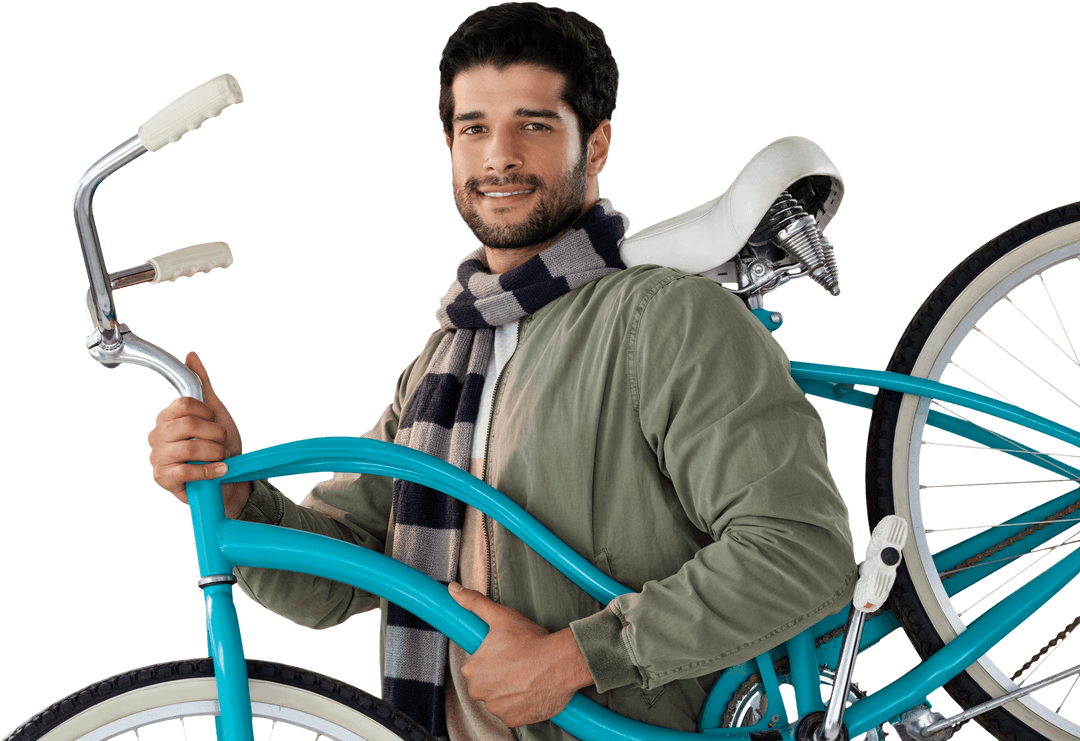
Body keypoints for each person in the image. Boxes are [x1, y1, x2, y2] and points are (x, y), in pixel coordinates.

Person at [147, 4, 858, 740]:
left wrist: (575, 659)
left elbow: (800, 550)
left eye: (535, 124)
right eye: (475, 128)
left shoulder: (666, 319)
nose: (499, 157)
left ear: (599, 142)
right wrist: (232, 493)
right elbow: (335, 576)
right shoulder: (443, 361)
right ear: (449, 147)